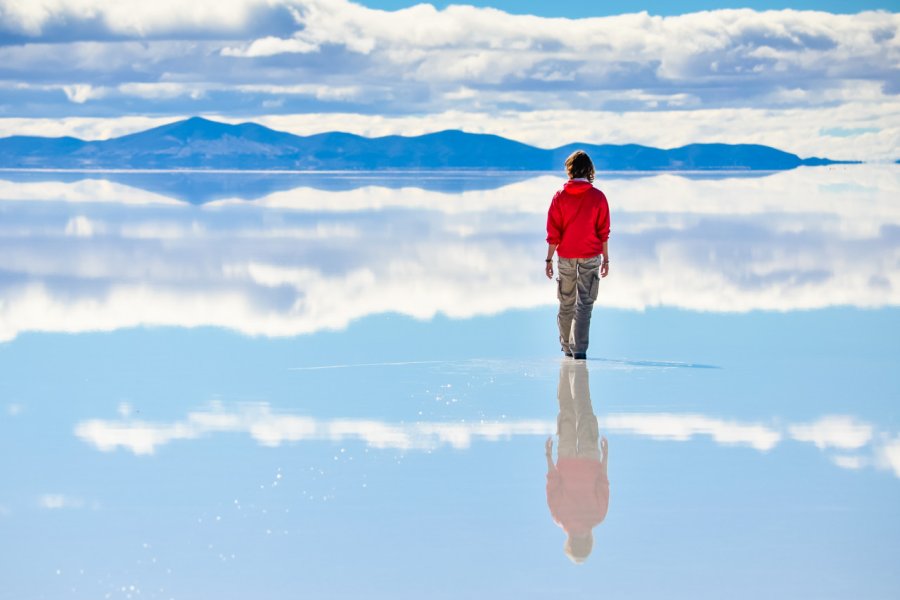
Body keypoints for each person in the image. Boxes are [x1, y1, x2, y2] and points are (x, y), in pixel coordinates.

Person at [545, 150, 610, 360]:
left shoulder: (560, 196)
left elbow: (553, 232)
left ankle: (566, 347)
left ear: (570, 170)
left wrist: (548, 259)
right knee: (585, 303)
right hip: (591, 255)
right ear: (589, 170)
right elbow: (604, 231)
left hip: (565, 256)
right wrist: (606, 259)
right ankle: (579, 350)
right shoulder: (598, 197)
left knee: (566, 302)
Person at [545, 360, 609, 564]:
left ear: (589, 542)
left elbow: (603, 483)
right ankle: (566, 367)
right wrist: (548, 457)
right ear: (569, 543)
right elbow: (553, 483)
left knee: (584, 406)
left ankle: (577, 367)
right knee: (566, 410)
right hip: (567, 458)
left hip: (590, 459)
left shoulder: (598, 516)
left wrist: (605, 456)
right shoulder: (559, 517)